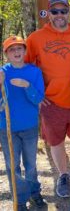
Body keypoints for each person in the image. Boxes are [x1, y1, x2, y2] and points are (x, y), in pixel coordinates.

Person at [24, 0, 70, 198]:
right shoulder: (36, 38)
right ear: (49, 14)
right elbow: (26, 67)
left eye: (63, 11)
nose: (59, 15)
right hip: (51, 101)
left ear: (69, 12)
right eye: (55, 11)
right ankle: (63, 175)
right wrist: (35, 95)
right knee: (56, 142)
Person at [0, 36, 46, 211]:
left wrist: (27, 85)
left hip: (29, 127)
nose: (16, 52)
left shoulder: (34, 72)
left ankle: (34, 192)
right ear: (6, 54)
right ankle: (19, 199)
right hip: (7, 128)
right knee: (13, 165)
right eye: (12, 49)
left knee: (31, 164)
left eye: (19, 48)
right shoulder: (2, 73)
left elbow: (38, 99)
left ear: (25, 51)